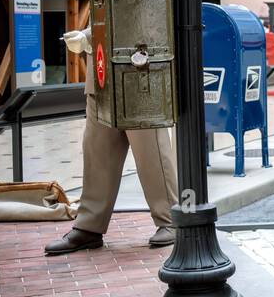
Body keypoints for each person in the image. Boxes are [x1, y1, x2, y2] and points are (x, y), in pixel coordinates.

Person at [45, 27, 177, 254]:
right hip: (102, 72)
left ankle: (170, 219)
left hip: (140, 71)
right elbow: (103, 13)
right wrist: (87, 36)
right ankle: (90, 226)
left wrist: (87, 35)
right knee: (97, 151)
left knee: (151, 153)